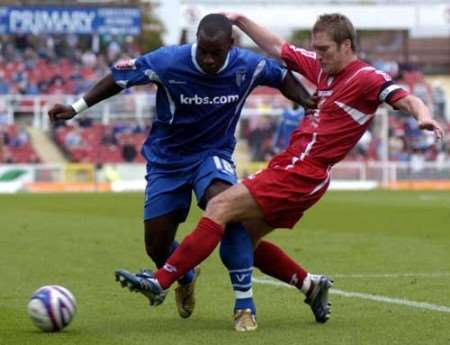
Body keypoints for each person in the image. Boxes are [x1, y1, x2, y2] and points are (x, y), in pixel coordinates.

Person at [114, 12, 445, 330]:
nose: (318, 56)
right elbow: (277, 48)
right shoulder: (322, 69)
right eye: (315, 49)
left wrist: (423, 115)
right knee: (240, 239)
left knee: (220, 206)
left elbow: (403, 97)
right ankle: (310, 286)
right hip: (294, 166)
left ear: (347, 46)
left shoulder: (365, 78)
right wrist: (240, 20)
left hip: (302, 171)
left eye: (325, 50)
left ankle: (162, 282)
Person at [48, 14, 320, 332]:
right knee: (156, 246)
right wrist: (75, 107)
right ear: (196, 41)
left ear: (230, 46)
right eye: (203, 49)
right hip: (167, 161)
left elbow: (281, 76)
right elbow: (118, 78)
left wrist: (305, 100)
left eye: (215, 52)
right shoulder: (168, 60)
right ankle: (186, 276)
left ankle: (244, 306)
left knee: (228, 210)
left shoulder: (248, 64)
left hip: (213, 155)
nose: (207, 58)